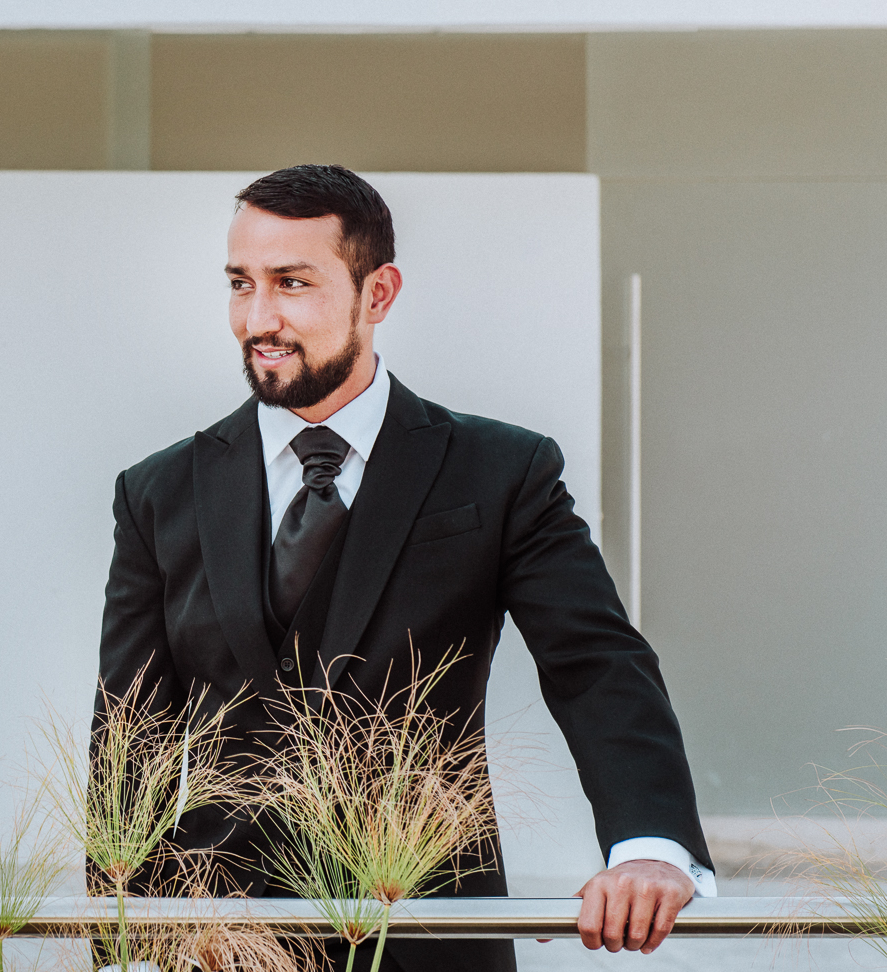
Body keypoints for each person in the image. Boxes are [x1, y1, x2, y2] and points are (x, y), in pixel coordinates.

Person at [95, 165, 713, 972]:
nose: (260, 318)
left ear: (377, 293)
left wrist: (650, 842)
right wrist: (123, 947)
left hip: (429, 937)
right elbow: (128, 732)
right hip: (215, 945)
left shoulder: (501, 471)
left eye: (293, 283)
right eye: (241, 284)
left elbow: (595, 663)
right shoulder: (158, 490)